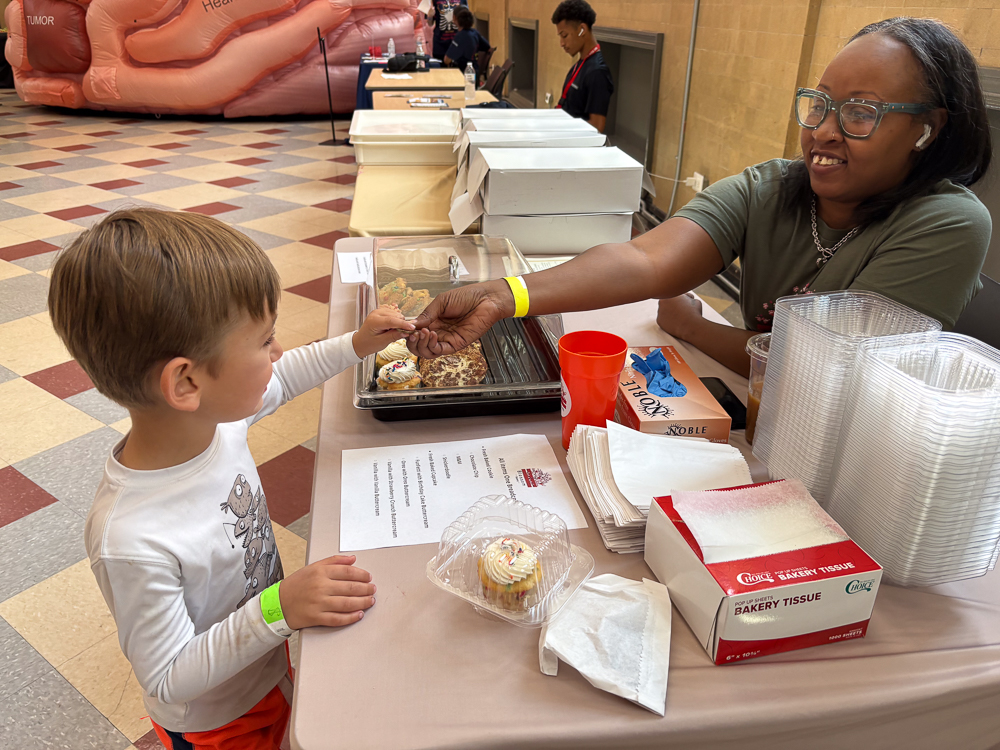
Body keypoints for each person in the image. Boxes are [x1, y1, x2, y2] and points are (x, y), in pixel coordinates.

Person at [408, 17, 992, 377]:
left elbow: (825, 371)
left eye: (862, 112)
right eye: (820, 104)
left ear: (928, 129)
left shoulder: (947, 222)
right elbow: (642, 259)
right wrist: (501, 295)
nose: (824, 131)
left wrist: (696, 329)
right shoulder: (773, 187)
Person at [48, 209, 413, 749]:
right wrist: (279, 608)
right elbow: (169, 676)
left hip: (266, 658)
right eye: (264, 340)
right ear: (186, 381)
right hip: (220, 721)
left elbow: (284, 377)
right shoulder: (131, 540)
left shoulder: (213, 422)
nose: (278, 351)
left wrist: (357, 344)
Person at [552, 0, 614, 133]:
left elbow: (596, 127)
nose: (562, 43)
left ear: (582, 30)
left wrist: (561, 128)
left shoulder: (597, 72)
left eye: (564, 35)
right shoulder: (581, 64)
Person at [443, 7, 490, 78]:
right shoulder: (475, 33)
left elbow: (446, 60)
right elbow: (488, 47)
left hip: (463, 75)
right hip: (475, 72)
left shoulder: (460, 37)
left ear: (455, 18)